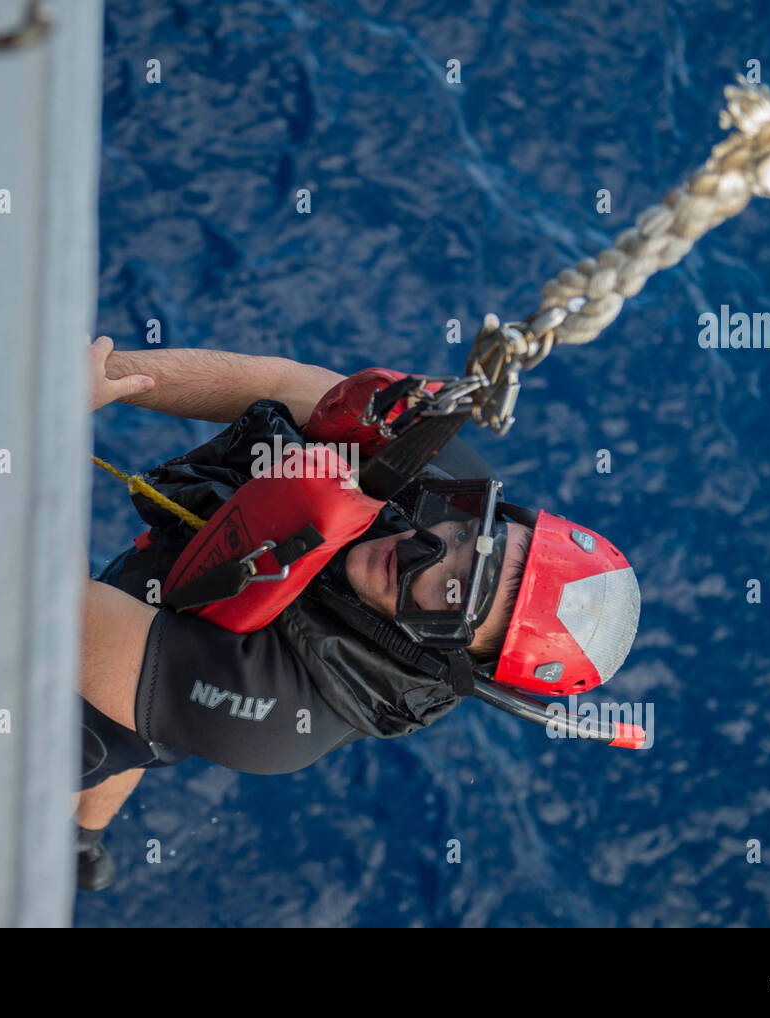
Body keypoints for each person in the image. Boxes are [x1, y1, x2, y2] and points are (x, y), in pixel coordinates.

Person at [77, 337, 640, 891]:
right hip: (152, 607)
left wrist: (31, 429)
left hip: (114, 680)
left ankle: (78, 834)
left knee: (120, 742)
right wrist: (97, 376)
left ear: (457, 654)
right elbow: (277, 386)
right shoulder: (436, 469)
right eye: (467, 533)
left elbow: (61, 618)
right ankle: (88, 836)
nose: (420, 549)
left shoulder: (276, 715)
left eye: (453, 593)